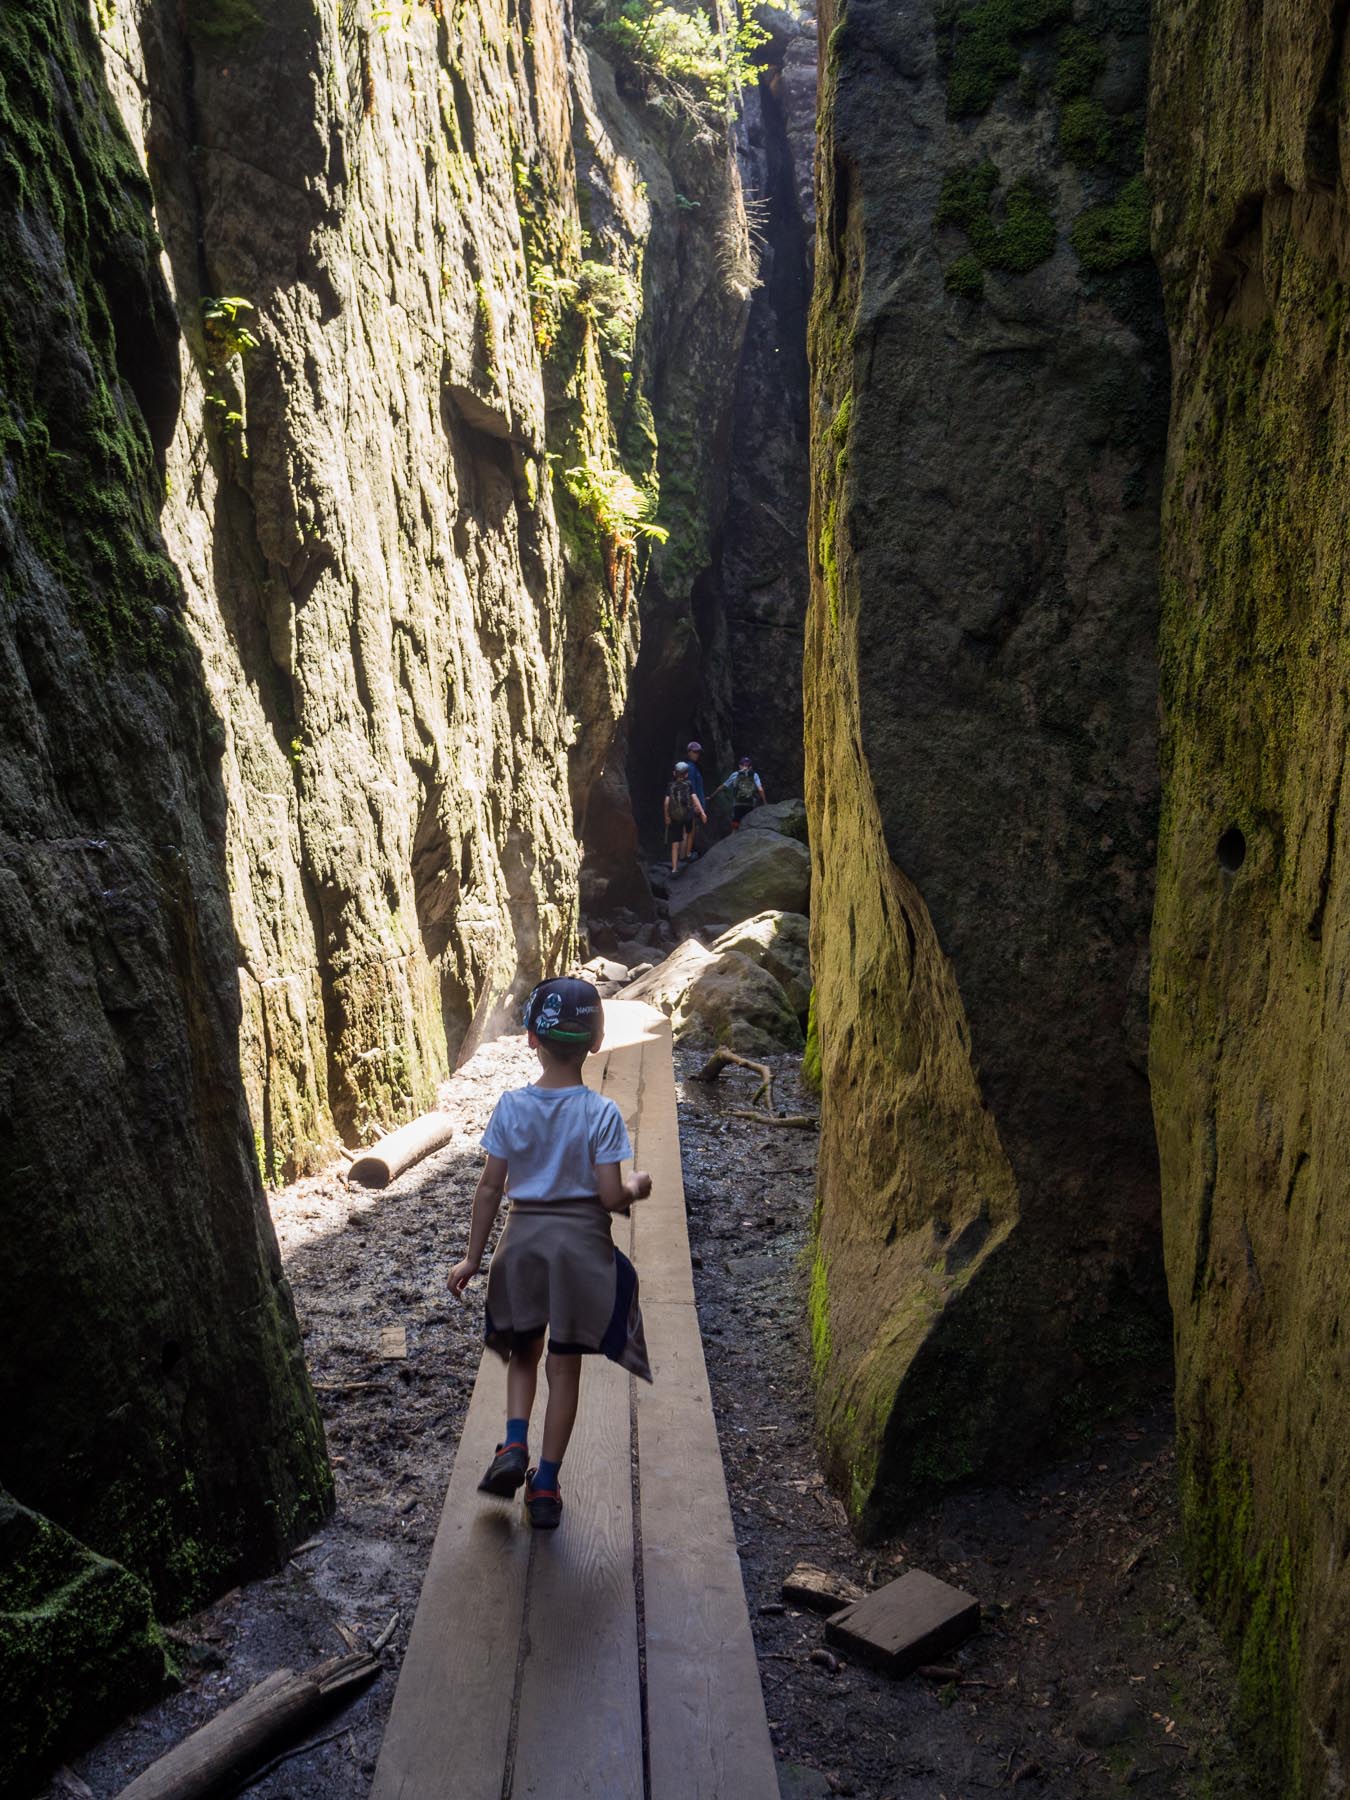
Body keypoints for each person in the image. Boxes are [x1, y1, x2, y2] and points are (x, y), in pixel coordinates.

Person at [448, 978, 652, 1530]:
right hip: (580, 1254)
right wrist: (636, 1185)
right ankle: (544, 1486)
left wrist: (472, 1258)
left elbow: (490, 1188)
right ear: (595, 1041)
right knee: (564, 1369)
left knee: (523, 1354)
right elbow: (610, 1198)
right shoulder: (603, 1115)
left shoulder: (511, 1107)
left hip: (522, 1250)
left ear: (531, 1039)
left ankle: (513, 1443)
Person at [664, 760, 707, 875]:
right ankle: (687, 854)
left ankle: (674, 869)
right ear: (686, 774)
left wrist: (667, 816)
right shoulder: (689, 784)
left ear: (674, 773)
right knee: (689, 833)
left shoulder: (670, 786)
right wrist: (702, 812)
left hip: (675, 817)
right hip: (687, 815)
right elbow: (695, 798)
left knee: (675, 843)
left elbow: (667, 802)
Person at [715, 754, 767, 829]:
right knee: (749, 823)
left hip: (738, 804)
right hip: (750, 803)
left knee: (736, 822)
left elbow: (722, 787)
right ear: (751, 767)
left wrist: (711, 796)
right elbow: (760, 789)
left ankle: (734, 836)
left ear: (740, 766)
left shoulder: (735, 775)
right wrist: (765, 802)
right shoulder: (754, 775)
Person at [682, 740, 707, 864]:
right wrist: (696, 805)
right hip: (691, 805)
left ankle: (684, 855)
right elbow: (691, 788)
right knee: (688, 831)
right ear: (689, 752)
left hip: (691, 804)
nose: (697, 754)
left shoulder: (692, 767)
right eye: (695, 752)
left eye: (698, 752)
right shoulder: (690, 768)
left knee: (688, 830)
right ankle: (684, 856)